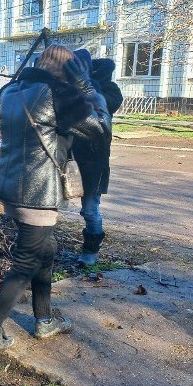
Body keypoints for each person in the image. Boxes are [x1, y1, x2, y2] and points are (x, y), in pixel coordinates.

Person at [0, 45, 110, 350]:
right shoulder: (60, 93)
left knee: (46, 250)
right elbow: (101, 129)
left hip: (10, 185)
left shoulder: (12, 90)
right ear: (69, 70)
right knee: (27, 260)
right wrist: (87, 86)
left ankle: (44, 321)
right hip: (37, 192)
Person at [71, 50, 124, 266]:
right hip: (69, 159)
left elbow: (110, 104)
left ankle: (91, 250)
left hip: (94, 162)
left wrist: (89, 87)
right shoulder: (67, 89)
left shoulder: (106, 89)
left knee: (90, 209)